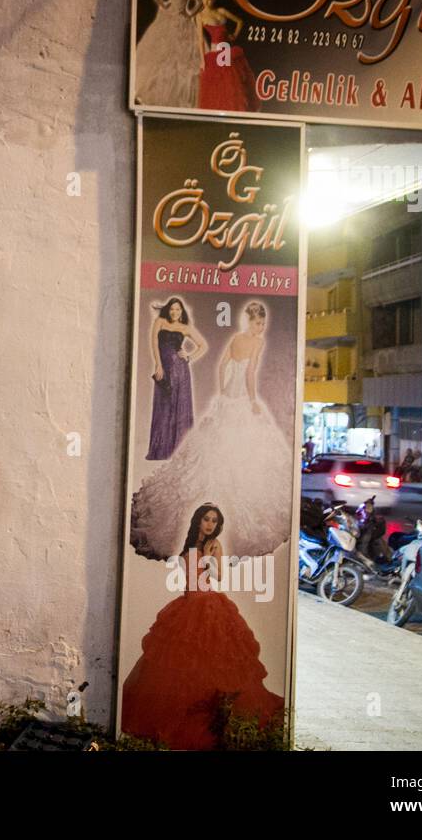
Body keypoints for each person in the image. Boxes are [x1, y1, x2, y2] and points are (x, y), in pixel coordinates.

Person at [130, 301, 294, 559]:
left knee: (222, 451)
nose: (260, 328)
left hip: (227, 398)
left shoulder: (237, 339)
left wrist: (222, 392)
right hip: (239, 400)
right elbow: (250, 373)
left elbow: (221, 367)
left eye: (262, 324)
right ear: (249, 321)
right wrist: (251, 400)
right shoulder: (255, 343)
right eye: (257, 323)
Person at [120, 504, 285, 749]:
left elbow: (218, 577)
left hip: (208, 605)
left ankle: (214, 719)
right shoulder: (187, 545)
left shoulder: (214, 545)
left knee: (212, 663)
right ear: (198, 520)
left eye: (214, 521)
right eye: (206, 519)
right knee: (179, 667)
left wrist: (209, 557)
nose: (210, 524)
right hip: (187, 604)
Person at [133, 0, 204, 108]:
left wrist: (190, 14)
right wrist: (164, 5)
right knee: (163, 56)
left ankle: (178, 97)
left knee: (183, 59)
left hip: (183, 21)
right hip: (168, 19)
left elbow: (201, 3)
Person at [145, 297, 207, 460]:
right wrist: (158, 365)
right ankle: (162, 449)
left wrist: (189, 356)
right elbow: (154, 343)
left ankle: (179, 450)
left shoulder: (186, 327)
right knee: (163, 405)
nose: (175, 312)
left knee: (180, 406)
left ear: (182, 311)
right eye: (172, 309)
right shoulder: (160, 321)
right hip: (164, 369)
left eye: (178, 309)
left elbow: (203, 345)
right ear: (168, 310)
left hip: (180, 371)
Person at [195, 0, 260, 113]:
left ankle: (233, 112)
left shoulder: (221, 11)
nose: (206, 2)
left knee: (233, 86)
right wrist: (202, 61)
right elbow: (200, 40)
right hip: (216, 53)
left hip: (228, 51)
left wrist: (234, 35)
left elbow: (239, 22)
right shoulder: (200, 16)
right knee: (220, 86)